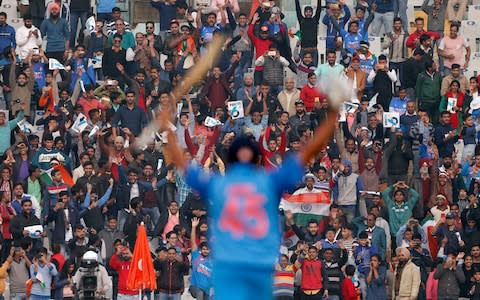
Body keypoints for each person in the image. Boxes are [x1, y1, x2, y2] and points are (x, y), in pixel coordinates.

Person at [163, 97, 341, 300]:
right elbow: (309, 152)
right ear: (258, 160)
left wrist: (168, 129)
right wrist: (333, 113)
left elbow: (185, 169)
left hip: (228, 265)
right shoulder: (268, 182)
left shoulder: (219, 185)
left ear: (230, 160)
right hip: (259, 266)